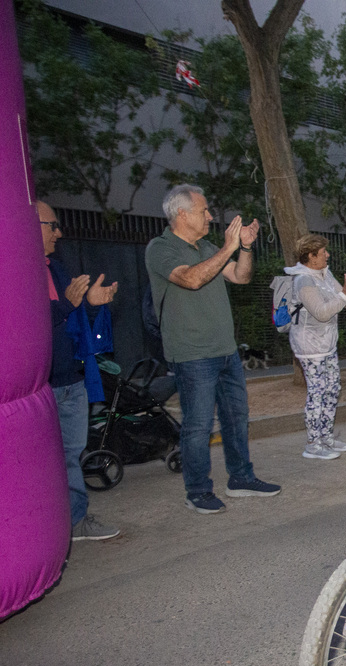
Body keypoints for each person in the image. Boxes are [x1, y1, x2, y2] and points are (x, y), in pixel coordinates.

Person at [144, 184, 281, 514]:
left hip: (226, 351)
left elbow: (241, 276)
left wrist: (244, 248)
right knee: (198, 425)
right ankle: (197, 490)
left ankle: (241, 478)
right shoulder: (161, 248)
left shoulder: (207, 246)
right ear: (182, 214)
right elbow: (191, 279)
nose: (209, 216)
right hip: (192, 354)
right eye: (204, 210)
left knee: (236, 419)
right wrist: (227, 247)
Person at [38, 201, 122, 542]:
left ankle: (75, 522)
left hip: (72, 379)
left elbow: (71, 324)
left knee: (70, 457)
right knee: (46, 463)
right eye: (51, 225)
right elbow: (23, 328)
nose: (59, 232)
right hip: (42, 387)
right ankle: (51, 528)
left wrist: (89, 304)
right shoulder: (12, 273)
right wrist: (68, 305)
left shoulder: (55, 268)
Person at [284, 234, 346, 460]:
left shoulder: (323, 274)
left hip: (326, 344)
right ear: (311, 255)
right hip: (310, 347)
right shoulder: (303, 280)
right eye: (323, 252)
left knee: (332, 389)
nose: (328, 254)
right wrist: (345, 292)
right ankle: (313, 444)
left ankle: (326, 438)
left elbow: (345, 302)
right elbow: (322, 313)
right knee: (317, 393)